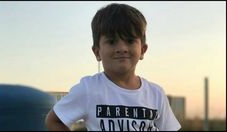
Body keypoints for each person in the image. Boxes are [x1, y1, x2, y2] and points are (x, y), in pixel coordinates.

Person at [45, 3, 181, 131]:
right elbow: (53, 121)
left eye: (130, 40)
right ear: (97, 52)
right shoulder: (89, 88)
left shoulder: (156, 93)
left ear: (143, 50)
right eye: (111, 41)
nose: (121, 48)